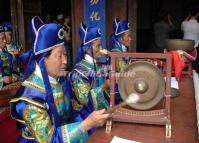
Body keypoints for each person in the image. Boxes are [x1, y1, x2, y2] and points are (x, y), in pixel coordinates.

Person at [10, 17, 110, 143]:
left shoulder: (60, 79)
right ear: (43, 60)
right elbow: (49, 139)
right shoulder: (30, 98)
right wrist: (86, 124)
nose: (65, 61)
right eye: (59, 56)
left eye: (65, 54)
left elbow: (75, 109)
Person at [70, 23, 110, 134]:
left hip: (98, 113)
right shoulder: (79, 72)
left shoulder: (97, 66)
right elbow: (85, 99)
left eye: (101, 45)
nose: (101, 49)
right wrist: (103, 87)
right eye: (98, 46)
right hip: (84, 117)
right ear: (88, 49)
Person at [181, 7, 199, 72]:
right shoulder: (198, 25)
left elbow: (184, 22)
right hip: (195, 50)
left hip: (185, 48)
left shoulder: (184, 24)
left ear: (190, 14)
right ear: (197, 14)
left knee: (185, 67)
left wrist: (188, 16)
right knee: (194, 68)